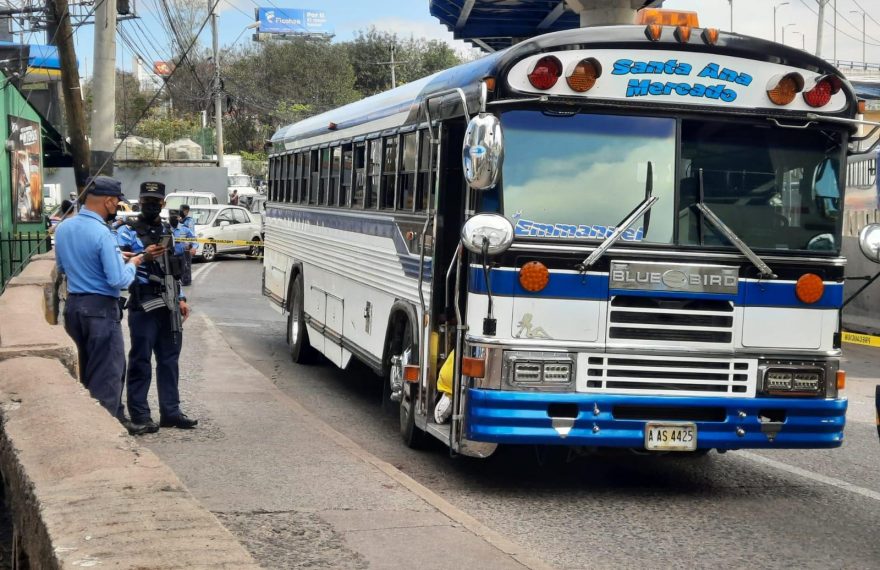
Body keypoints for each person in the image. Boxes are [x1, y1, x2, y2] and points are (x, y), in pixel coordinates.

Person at [54, 177, 162, 436]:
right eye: (116, 202)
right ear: (109, 201)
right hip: (101, 310)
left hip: (74, 306)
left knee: (84, 371)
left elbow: (62, 267)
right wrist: (134, 262)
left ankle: (90, 425)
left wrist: (116, 257)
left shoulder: (64, 228)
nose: (117, 206)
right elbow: (118, 280)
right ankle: (105, 434)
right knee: (107, 373)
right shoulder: (103, 232)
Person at [117, 181, 197, 432]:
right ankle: (140, 414)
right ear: (140, 201)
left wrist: (181, 298)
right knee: (141, 360)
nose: (151, 205)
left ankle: (171, 412)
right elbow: (119, 265)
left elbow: (174, 268)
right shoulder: (127, 231)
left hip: (169, 303)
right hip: (144, 303)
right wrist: (144, 256)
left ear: (162, 203)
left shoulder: (168, 230)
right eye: (147, 201)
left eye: (156, 201)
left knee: (170, 360)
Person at [170, 214, 197, 286]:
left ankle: (185, 282)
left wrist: (194, 247)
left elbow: (193, 238)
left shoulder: (184, 229)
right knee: (174, 273)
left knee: (185, 272)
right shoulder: (168, 229)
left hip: (183, 254)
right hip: (172, 255)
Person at [178, 205, 196, 285]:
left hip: (186, 245)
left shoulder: (189, 220)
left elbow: (191, 233)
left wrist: (190, 245)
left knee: (186, 264)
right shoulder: (178, 219)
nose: (181, 212)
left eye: (183, 211)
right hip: (179, 245)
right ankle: (181, 279)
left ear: (186, 211)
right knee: (180, 263)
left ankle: (186, 281)